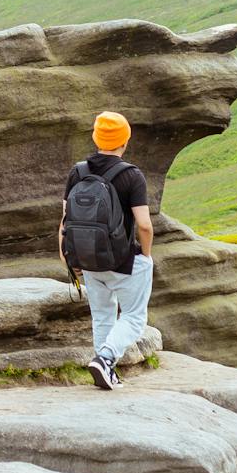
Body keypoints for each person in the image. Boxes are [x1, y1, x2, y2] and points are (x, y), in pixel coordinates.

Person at [58, 110, 154, 391]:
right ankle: (106, 358)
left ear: (95, 138)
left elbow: (65, 220)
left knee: (102, 316)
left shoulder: (78, 171)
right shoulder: (131, 176)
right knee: (134, 318)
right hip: (123, 261)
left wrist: (69, 258)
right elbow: (144, 226)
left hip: (89, 260)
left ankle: (104, 368)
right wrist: (145, 257)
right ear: (125, 141)